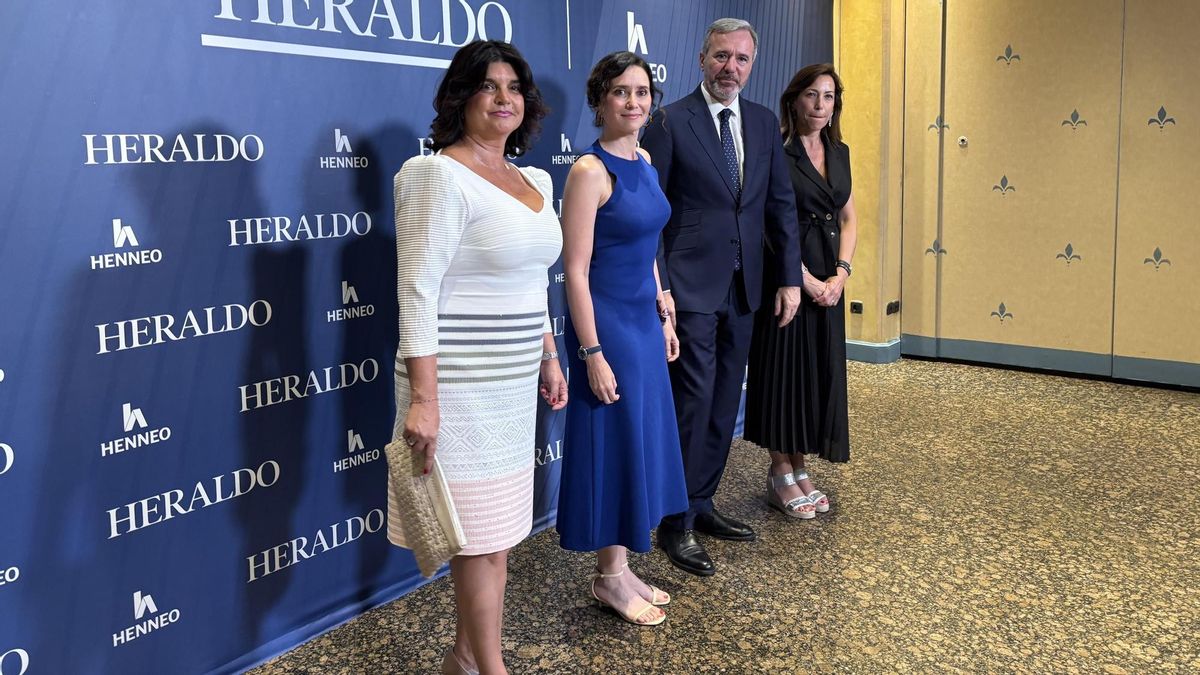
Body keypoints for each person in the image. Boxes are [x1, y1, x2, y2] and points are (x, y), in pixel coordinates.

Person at [388, 40, 567, 675]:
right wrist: (426, 401)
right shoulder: (434, 174)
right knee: (478, 541)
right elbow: (416, 290)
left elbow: (533, 282)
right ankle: (490, 667)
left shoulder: (537, 180)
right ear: (461, 96)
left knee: (499, 536)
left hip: (513, 383)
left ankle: (464, 659)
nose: (503, 98)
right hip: (458, 388)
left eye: (514, 87)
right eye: (488, 86)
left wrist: (549, 355)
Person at [640, 18, 803, 577]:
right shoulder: (668, 121)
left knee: (724, 398)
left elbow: (779, 206)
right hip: (688, 287)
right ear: (702, 58)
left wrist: (787, 278)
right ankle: (674, 521)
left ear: (752, 64)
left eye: (741, 59)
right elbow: (651, 213)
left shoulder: (760, 123)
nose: (730, 67)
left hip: (746, 288)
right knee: (692, 399)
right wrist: (659, 287)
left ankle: (703, 501)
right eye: (720, 57)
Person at [557, 51, 688, 626]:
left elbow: (648, 246)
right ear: (599, 101)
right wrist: (590, 353)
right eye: (620, 93)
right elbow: (576, 270)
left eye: (642, 92)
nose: (633, 102)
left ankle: (621, 566)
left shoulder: (646, 158)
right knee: (613, 444)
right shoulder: (590, 171)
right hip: (606, 327)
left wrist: (663, 303)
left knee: (636, 443)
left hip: (642, 320)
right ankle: (609, 577)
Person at [745, 64, 857, 518]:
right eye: (811, 95)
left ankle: (801, 466)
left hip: (830, 282)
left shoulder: (841, 151)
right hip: (788, 278)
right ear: (793, 100)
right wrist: (804, 278)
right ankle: (779, 471)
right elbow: (766, 225)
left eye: (828, 97)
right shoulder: (776, 151)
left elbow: (849, 217)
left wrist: (841, 275)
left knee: (815, 375)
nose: (819, 105)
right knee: (784, 374)